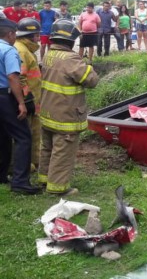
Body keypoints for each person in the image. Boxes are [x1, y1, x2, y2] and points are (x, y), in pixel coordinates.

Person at [38, 19, 99, 196]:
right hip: (65, 116)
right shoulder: (71, 59)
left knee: (47, 148)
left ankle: (44, 179)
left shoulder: (48, 55)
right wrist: (89, 66)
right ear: (71, 40)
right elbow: (92, 80)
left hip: (48, 112)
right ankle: (58, 188)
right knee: (62, 152)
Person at [0, 19, 41, 194]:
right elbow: (13, 77)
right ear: (10, 34)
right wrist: (21, 103)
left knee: (2, 137)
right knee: (23, 137)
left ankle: (2, 175)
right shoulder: (10, 50)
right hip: (6, 96)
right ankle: (20, 182)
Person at [14, 18, 42, 170]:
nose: (38, 38)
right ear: (29, 35)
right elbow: (21, 76)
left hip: (34, 99)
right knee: (27, 133)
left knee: (34, 132)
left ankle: (33, 161)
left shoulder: (26, 49)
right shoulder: (21, 50)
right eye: (37, 35)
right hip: (29, 99)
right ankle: (25, 164)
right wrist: (27, 99)